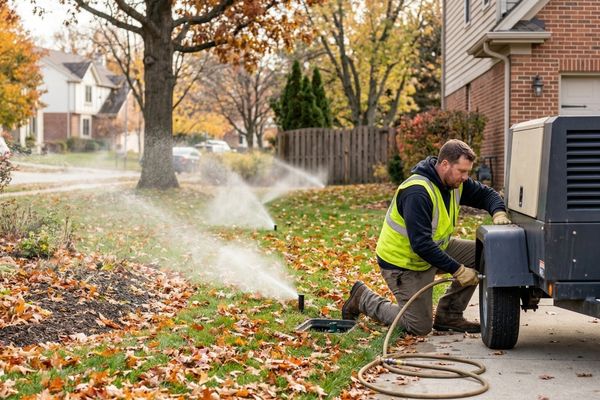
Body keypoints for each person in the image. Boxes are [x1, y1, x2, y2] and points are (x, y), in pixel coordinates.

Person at [341, 139, 511, 335]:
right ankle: (363, 298)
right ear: (445, 164)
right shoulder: (418, 192)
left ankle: (449, 315)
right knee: (418, 327)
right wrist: (457, 270)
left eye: (468, 172)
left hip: (434, 250)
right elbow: (421, 245)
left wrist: (498, 212)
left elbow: (487, 195)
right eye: (462, 171)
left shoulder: (455, 184)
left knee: (483, 254)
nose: (465, 177)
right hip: (404, 263)